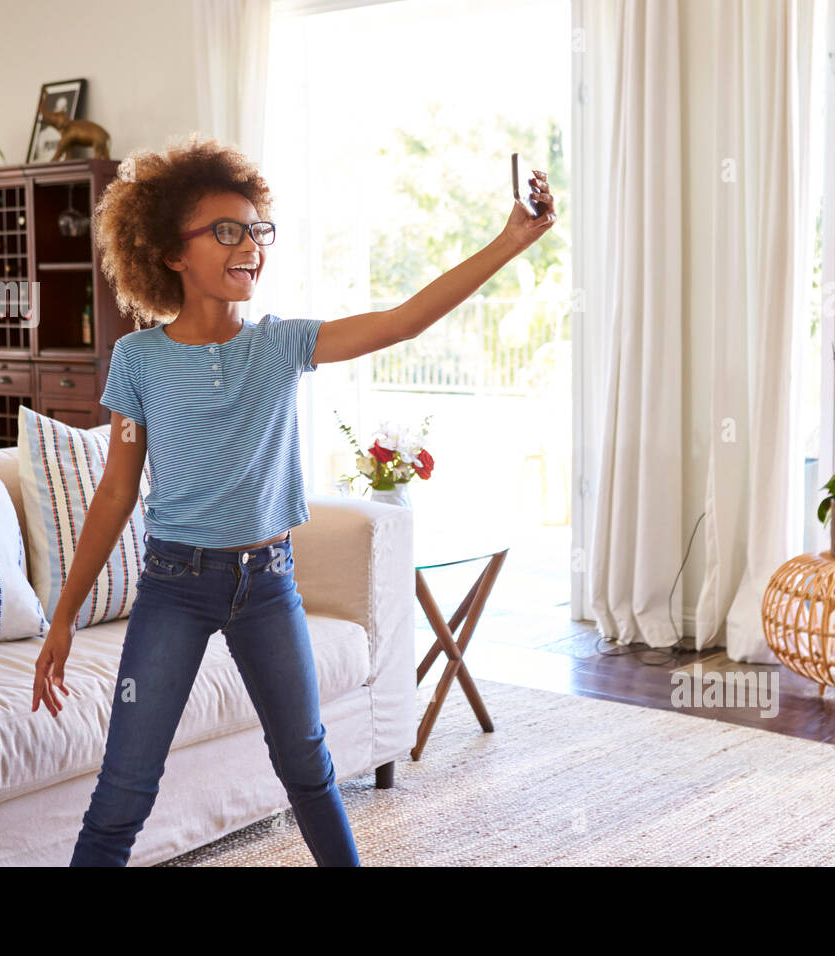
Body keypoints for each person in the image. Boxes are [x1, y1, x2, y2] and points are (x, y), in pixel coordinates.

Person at [31, 132, 555, 867]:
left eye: (256, 230)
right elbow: (118, 488)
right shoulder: (139, 360)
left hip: (270, 583)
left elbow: (403, 321)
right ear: (171, 253)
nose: (249, 244)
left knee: (308, 766)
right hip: (174, 588)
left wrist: (511, 241)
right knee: (125, 788)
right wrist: (62, 616)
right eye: (226, 231)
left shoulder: (282, 345)